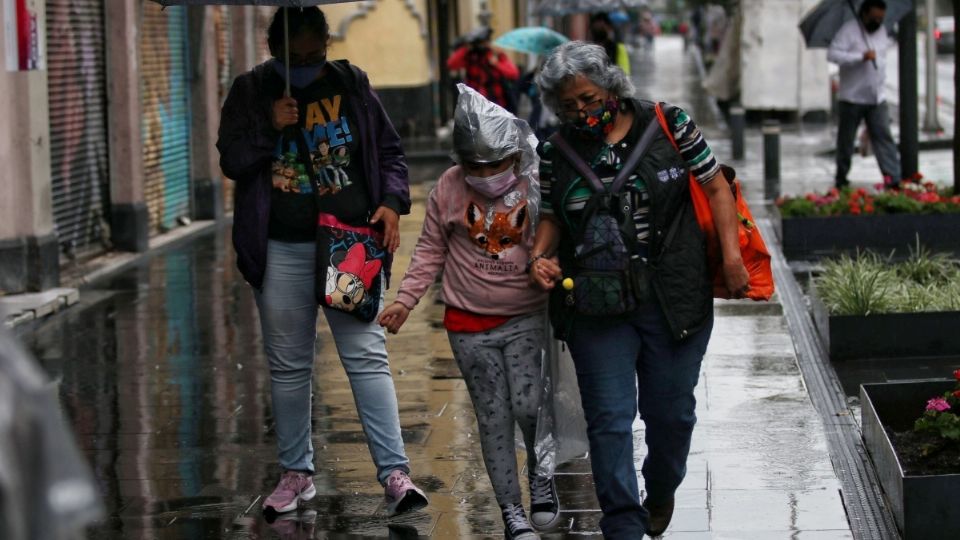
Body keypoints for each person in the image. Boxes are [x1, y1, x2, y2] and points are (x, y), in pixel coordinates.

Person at [529, 41, 749, 538]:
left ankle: (663, 487)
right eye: (568, 107)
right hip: (594, 301)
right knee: (608, 420)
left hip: (674, 296)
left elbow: (716, 187)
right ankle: (623, 525)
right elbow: (549, 217)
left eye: (588, 99)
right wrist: (539, 256)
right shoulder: (554, 151)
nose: (581, 112)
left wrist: (733, 260)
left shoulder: (670, 125)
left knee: (671, 414)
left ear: (611, 86)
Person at [216, 7, 428, 517]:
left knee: (366, 356)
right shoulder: (250, 90)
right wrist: (269, 126)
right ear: (274, 50)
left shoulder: (351, 84)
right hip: (281, 245)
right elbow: (231, 160)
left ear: (328, 44)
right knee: (289, 367)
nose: (308, 64)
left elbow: (389, 153)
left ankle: (395, 473)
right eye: (296, 56)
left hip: (348, 244)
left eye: (316, 54)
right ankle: (296, 473)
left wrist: (393, 203)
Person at [378, 84, 559, 540]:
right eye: (474, 166)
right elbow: (429, 250)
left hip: (525, 318)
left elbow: (555, 236)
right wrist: (405, 299)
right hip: (467, 324)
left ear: (515, 156)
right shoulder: (448, 187)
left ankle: (541, 475)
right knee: (493, 417)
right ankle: (511, 512)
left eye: (495, 164)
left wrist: (549, 264)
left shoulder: (533, 186)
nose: (485, 175)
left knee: (529, 404)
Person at [828, 0, 902, 189]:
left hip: (876, 97)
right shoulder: (849, 31)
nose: (877, 22)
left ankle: (892, 177)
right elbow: (833, 55)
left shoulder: (882, 32)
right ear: (864, 14)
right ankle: (841, 177)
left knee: (883, 137)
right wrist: (859, 57)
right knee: (846, 140)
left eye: (881, 19)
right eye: (874, 18)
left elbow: (883, 58)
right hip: (852, 97)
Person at [447, 26, 520, 111]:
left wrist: (497, 64)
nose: (482, 46)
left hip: (497, 104)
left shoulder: (495, 55)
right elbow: (451, 64)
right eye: (480, 43)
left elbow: (514, 73)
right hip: (475, 104)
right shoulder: (470, 56)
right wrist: (466, 48)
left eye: (484, 42)